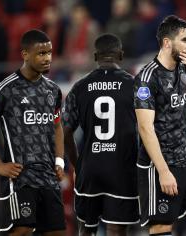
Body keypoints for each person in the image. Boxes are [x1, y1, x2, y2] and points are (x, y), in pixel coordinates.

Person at [0, 29, 66, 235]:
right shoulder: (5, 90)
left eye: (49, 53)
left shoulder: (53, 90)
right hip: (20, 178)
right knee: (21, 231)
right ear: (25, 54)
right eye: (41, 53)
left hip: (49, 177)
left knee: (57, 232)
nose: (47, 58)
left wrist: (59, 160)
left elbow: (58, 125)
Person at [134, 15, 186, 235]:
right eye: (184, 40)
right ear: (166, 42)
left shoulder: (185, 71)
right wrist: (163, 171)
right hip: (159, 166)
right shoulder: (147, 78)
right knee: (162, 228)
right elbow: (145, 128)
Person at [63, 33, 140, 236]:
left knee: (86, 229)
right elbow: (149, 129)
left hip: (90, 168)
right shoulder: (135, 86)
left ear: (95, 56)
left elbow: (64, 131)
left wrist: (77, 163)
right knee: (116, 229)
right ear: (121, 55)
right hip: (122, 169)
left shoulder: (79, 87)